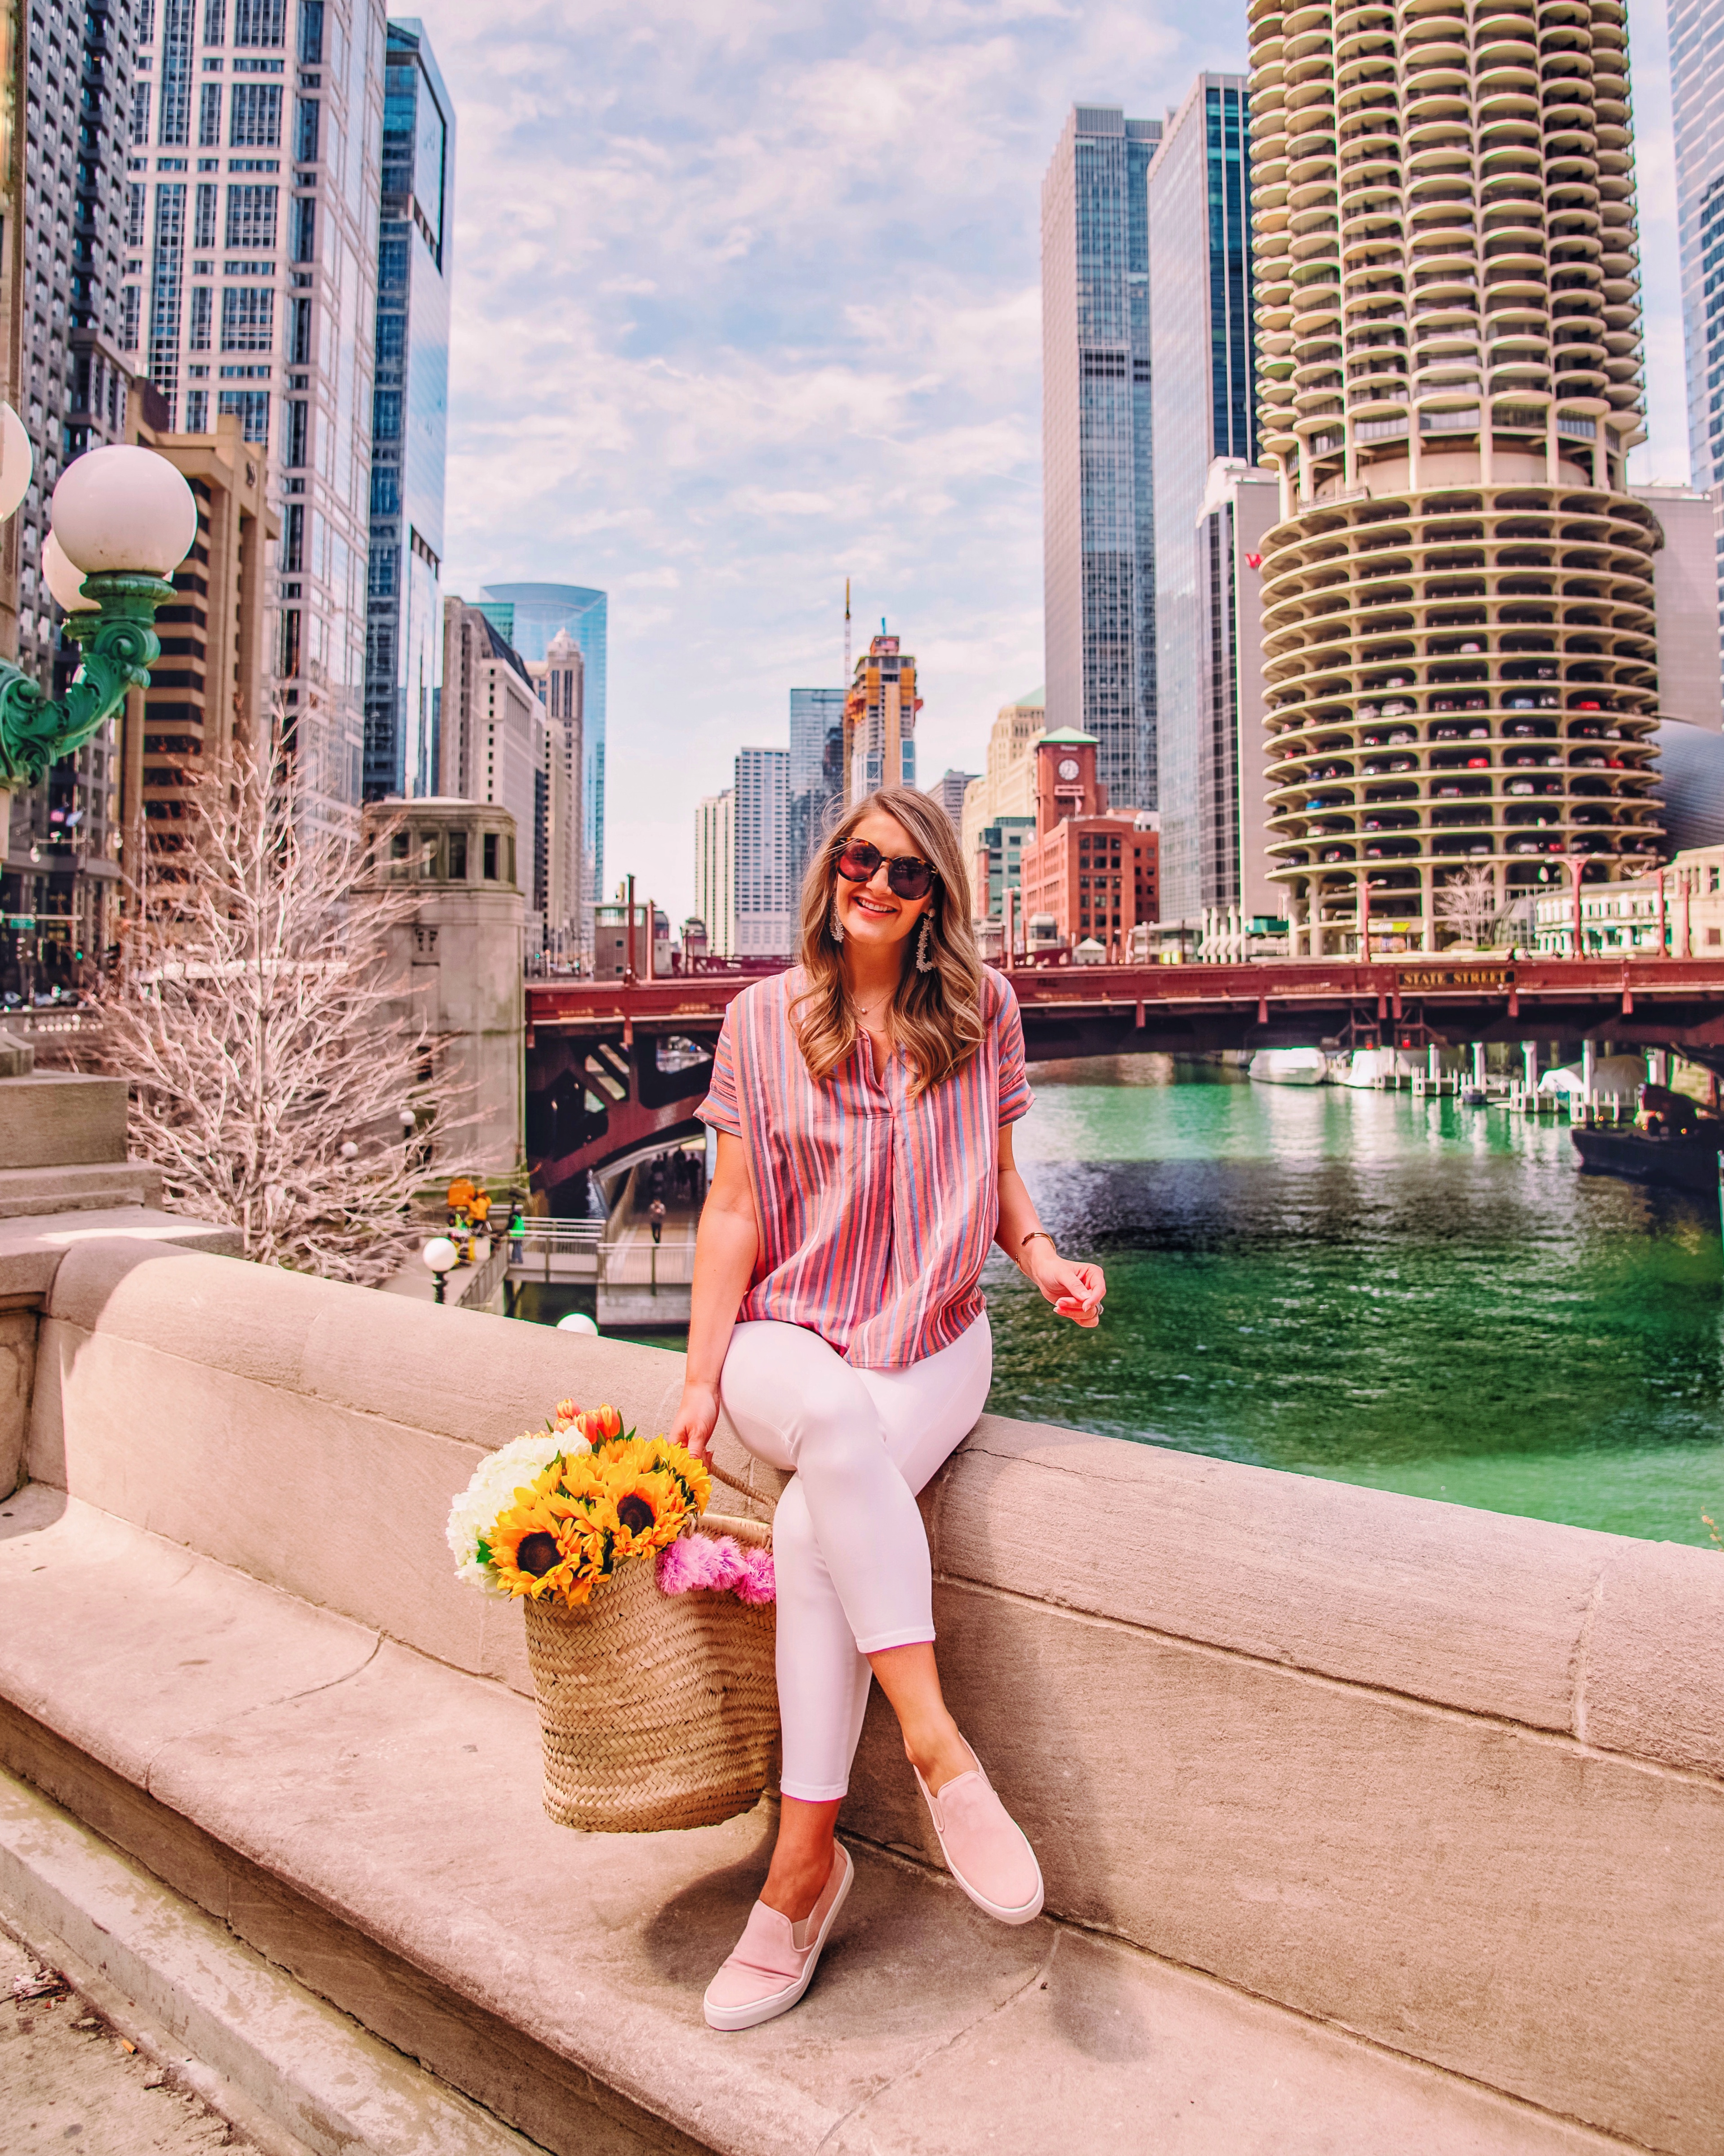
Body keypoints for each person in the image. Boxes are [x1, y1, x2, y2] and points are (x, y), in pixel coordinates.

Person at [669, 785, 1105, 2033]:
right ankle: (936, 1747)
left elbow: (1004, 1183)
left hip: (930, 1339)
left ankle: (803, 1870)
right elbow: (735, 1215)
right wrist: (701, 1376)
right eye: (861, 860)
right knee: (826, 1428)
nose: (877, 883)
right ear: (830, 869)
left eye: (908, 874)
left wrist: (1045, 1260)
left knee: (818, 1524)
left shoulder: (984, 1012)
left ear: (936, 903)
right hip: (782, 1335)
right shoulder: (759, 1019)